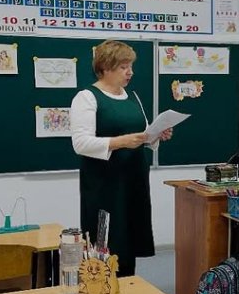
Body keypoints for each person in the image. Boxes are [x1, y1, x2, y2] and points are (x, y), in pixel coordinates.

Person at [70, 40, 172, 276]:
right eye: (124, 67)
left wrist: (156, 135)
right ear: (105, 67)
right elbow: (81, 143)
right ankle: (102, 289)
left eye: (131, 66)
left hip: (133, 181)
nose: (130, 72)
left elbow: (142, 135)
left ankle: (128, 287)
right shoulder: (87, 97)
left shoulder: (131, 96)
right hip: (105, 185)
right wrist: (120, 142)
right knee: (107, 244)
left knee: (129, 241)